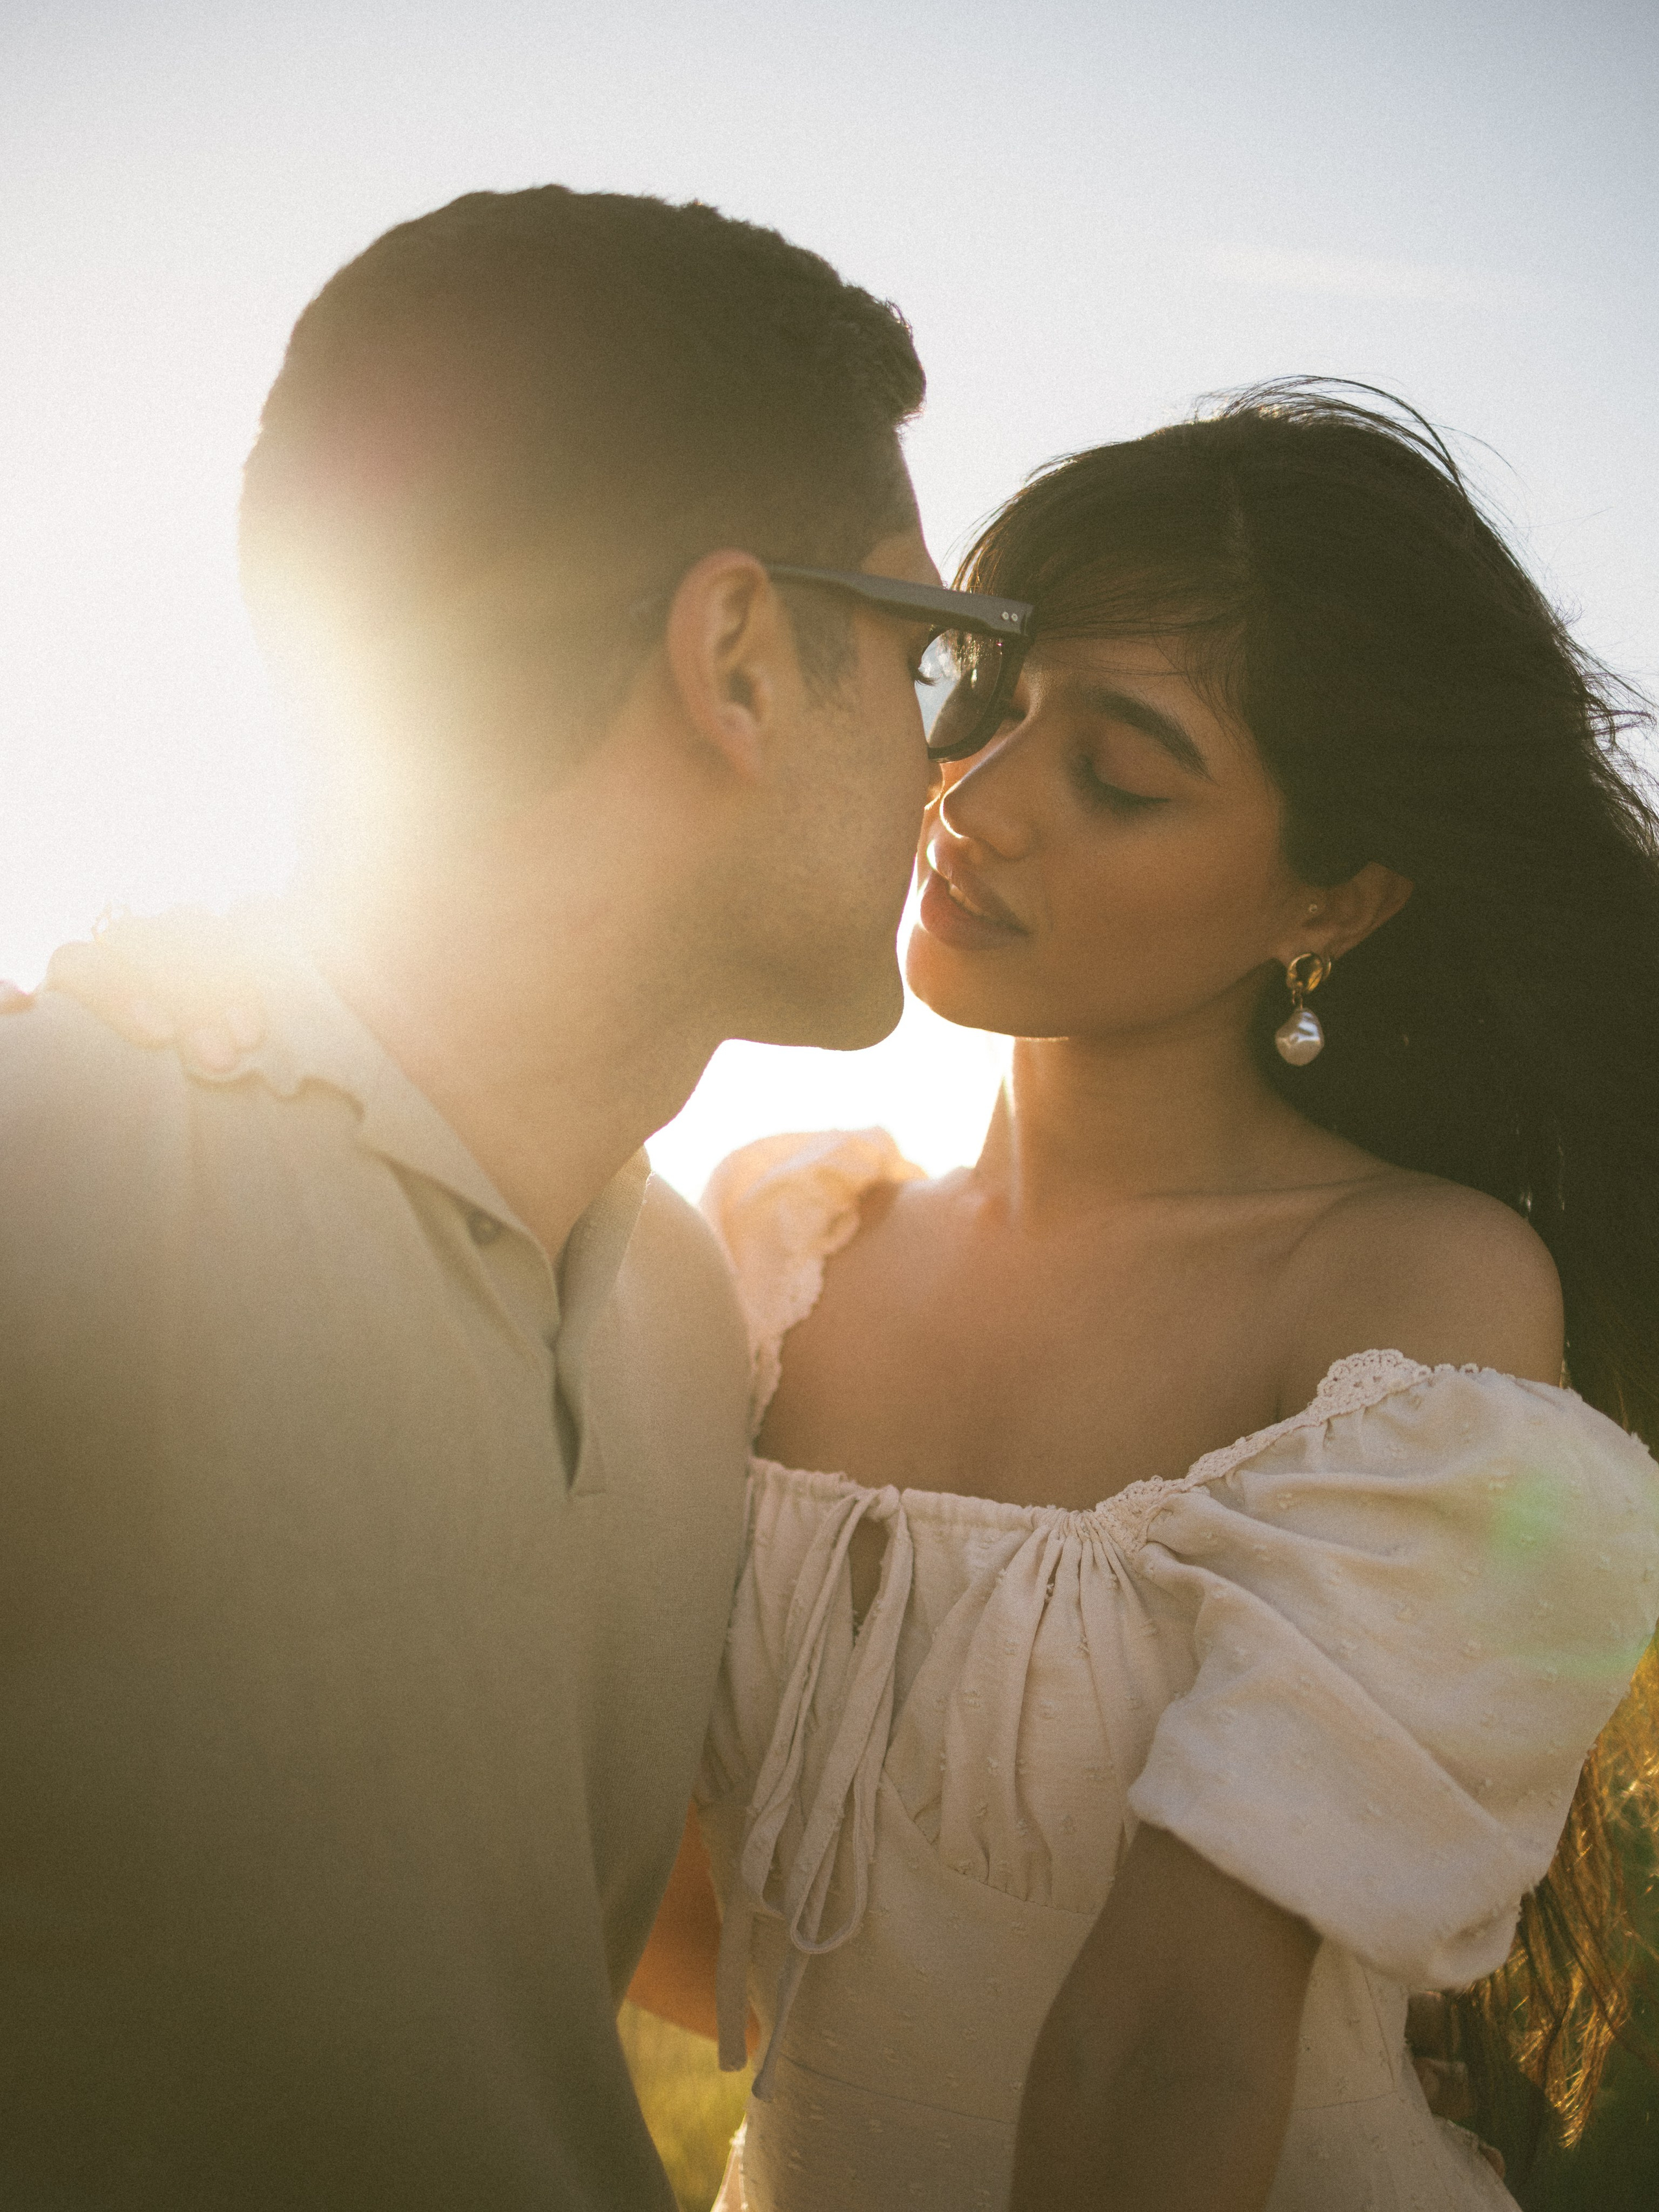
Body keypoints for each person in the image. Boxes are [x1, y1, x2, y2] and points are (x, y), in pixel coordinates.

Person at [17, 382, 1653, 2207]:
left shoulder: (1405, 1300)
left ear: (1332, 898)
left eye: (1119, 771)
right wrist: (240, 1076)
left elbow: (1170, 2046)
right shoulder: (785, 1254)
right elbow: (702, 1939)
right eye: (987, 701)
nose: (982, 802)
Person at [0, 181, 1035, 2208]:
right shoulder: (61, 1180)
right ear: (738, 657)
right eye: (930, 653)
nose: (950, 761)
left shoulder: (675, 1310)